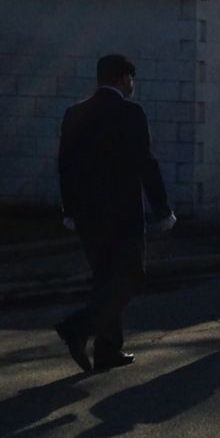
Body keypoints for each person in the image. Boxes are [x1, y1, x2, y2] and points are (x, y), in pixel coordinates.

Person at [55, 54, 173, 373]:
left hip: (87, 214)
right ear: (123, 79)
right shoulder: (131, 112)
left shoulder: (75, 113)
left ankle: (108, 349)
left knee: (106, 279)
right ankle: (78, 327)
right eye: (131, 79)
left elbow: (65, 165)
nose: (132, 85)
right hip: (123, 213)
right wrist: (161, 207)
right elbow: (145, 161)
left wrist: (69, 209)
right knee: (131, 275)